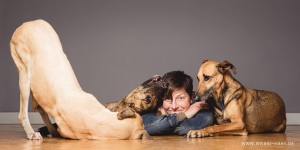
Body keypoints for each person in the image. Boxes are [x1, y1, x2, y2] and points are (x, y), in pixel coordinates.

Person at [142, 71, 214, 135]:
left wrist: (162, 124)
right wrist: (185, 115)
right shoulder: (153, 107)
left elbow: (191, 127)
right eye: (168, 99)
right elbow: (143, 124)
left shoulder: (201, 108)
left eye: (180, 98)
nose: (174, 106)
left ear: (192, 97)